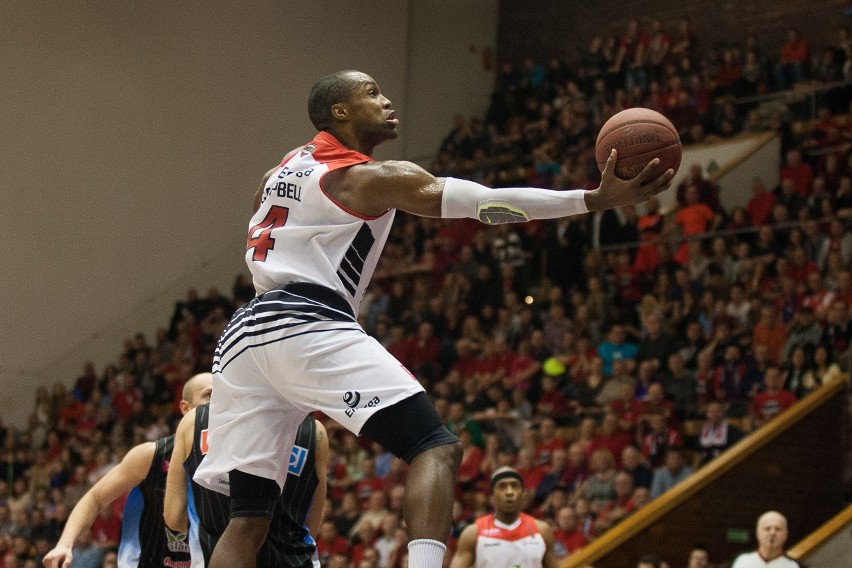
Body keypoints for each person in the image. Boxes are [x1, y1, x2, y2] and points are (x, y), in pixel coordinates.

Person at [192, 70, 674, 568]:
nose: (386, 101)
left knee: (248, 517)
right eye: (371, 94)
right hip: (305, 323)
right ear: (339, 112)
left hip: (243, 336)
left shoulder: (280, 171)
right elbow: (486, 205)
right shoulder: (365, 178)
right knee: (434, 446)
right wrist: (592, 200)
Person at [42, 373, 213, 568]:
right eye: (209, 395)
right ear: (185, 408)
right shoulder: (151, 456)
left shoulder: (234, 458)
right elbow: (95, 498)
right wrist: (64, 544)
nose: (217, 403)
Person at [163, 403, 329, 568]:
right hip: (291, 560)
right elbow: (313, 522)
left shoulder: (193, 421)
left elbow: (174, 517)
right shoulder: (315, 432)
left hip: (213, 558)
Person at [449, 467, 558, 568]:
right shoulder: (473, 533)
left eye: (515, 486)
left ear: (522, 494)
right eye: (502, 486)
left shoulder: (542, 531)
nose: (509, 492)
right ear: (491, 496)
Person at [731, 511, 800, 568]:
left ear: (786, 534)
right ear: (757, 533)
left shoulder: (793, 566)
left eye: (778, 529)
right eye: (767, 528)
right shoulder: (743, 561)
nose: (772, 533)